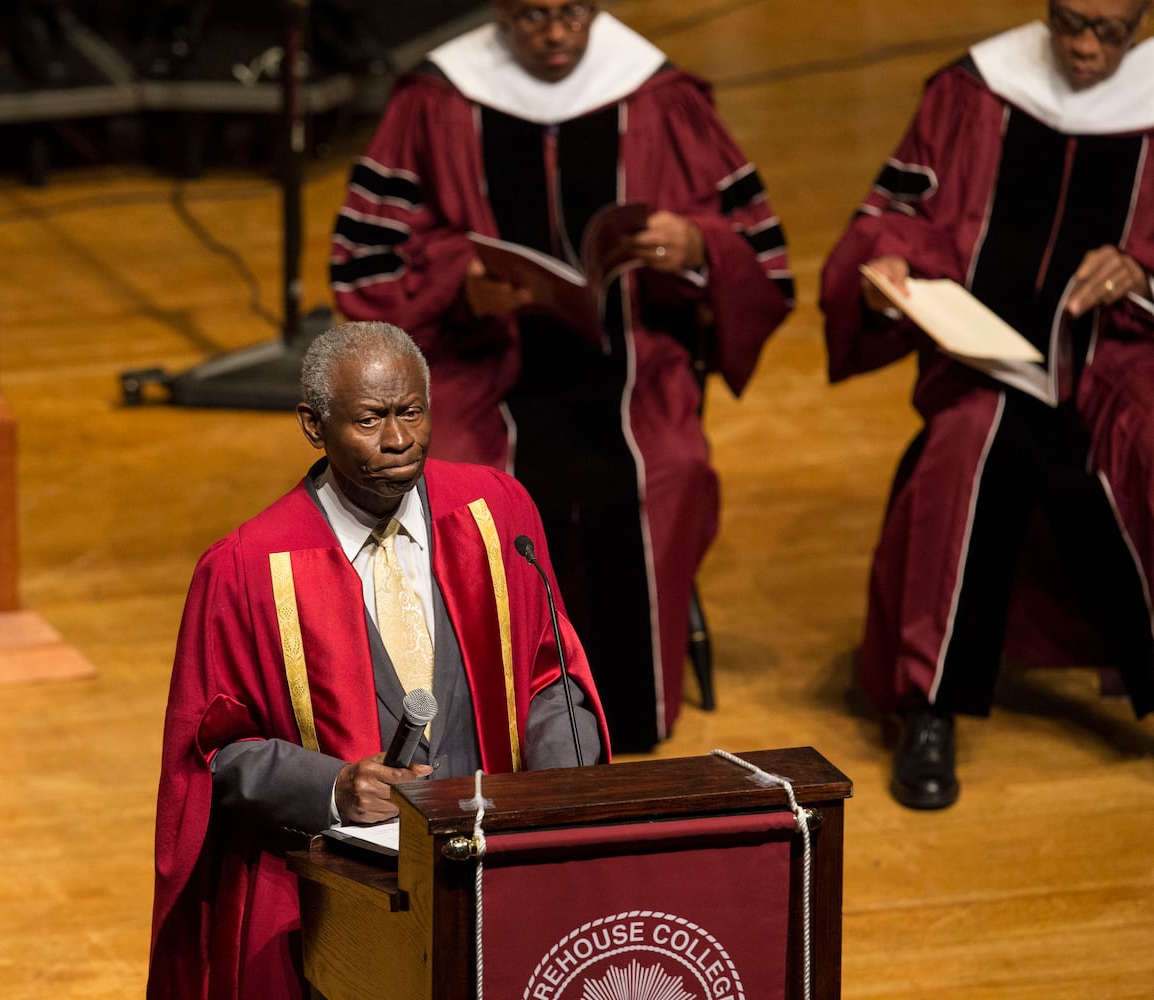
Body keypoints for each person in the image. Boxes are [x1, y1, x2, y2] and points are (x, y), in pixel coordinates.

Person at [328, 0, 793, 752]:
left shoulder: (656, 94)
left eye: (573, 13)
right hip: (483, 364)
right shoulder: (439, 99)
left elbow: (757, 249)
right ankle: (485, 711)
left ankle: (630, 721)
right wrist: (461, 285)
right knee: (470, 487)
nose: (555, 34)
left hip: (634, 363)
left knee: (667, 469)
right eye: (534, 15)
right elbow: (368, 260)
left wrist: (697, 246)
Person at [145, 321, 609, 999]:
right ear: (313, 424)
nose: (398, 441)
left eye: (410, 413)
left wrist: (557, 787)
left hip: (500, 876)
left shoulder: (494, 509)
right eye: (369, 419)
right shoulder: (246, 569)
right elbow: (210, 756)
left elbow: (551, 673)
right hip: (339, 895)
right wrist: (332, 787)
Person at [820, 0, 1154, 810]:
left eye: (1109, 30)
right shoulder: (977, 90)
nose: (1081, 46)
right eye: (1068, 20)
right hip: (986, 355)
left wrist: (1143, 275)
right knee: (971, 446)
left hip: (1122, 358)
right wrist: (891, 264)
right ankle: (929, 705)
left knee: (1138, 449)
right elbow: (896, 213)